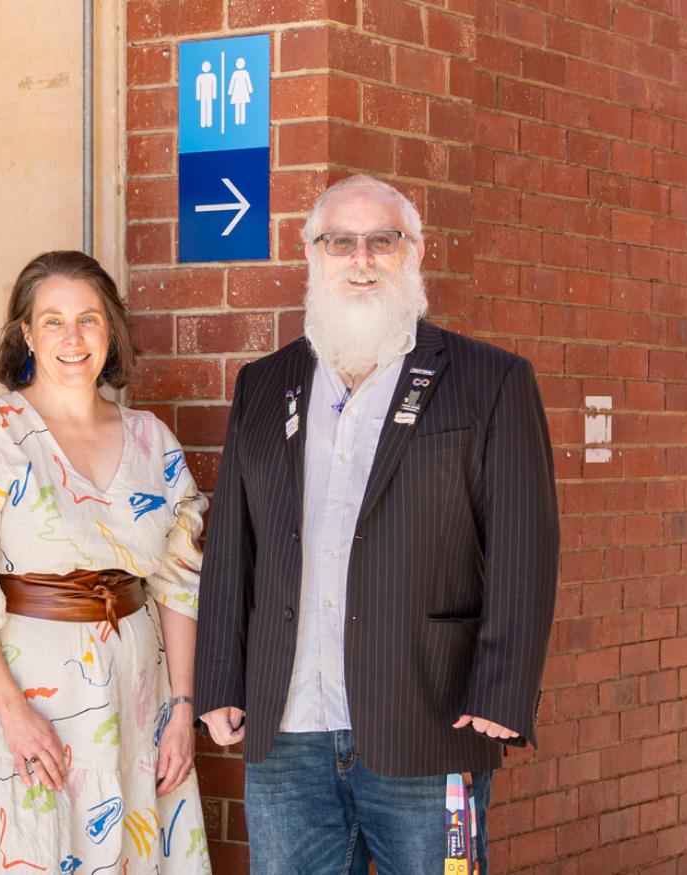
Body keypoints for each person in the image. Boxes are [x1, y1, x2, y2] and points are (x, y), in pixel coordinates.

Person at [194, 175, 559, 874]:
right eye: (339, 242)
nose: (360, 258)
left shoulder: (490, 381)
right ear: (312, 255)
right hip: (287, 732)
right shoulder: (263, 386)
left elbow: (525, 548)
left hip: (429, 722)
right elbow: (232, 552)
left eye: (382, 240)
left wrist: (504, 686)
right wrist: (219, 679)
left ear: (414, 254)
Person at [0, 251, 212, 874]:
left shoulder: (154, 441)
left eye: (88, 320)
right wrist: (13, 714)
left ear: (111, 332)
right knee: (24, 848)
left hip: (132, 698)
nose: (72, 338)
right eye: (53, 321)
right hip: (16, 700)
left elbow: (181, 584)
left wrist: (181, 710)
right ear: (26, 333)